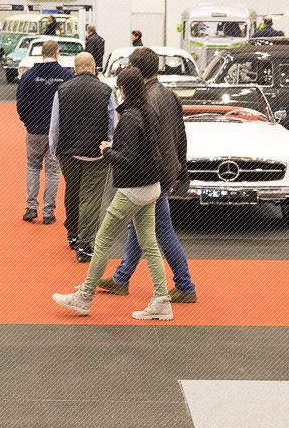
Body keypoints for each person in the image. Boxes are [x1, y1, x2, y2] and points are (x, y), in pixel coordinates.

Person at [52, 66, 174, 321]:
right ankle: (162, 300)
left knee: (103, 240)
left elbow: (127, 159)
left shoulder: (130, 117)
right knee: (149, 244)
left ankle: (85, 296)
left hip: (132, 189)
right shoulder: (148, 111)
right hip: (150, 186)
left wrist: (107, 151)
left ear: (122, 89)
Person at [97, 47, 199, 305]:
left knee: (161, 230)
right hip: (167, 170)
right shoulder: (170, 95)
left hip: (152, 174)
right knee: (139, 226)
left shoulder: (144, 102)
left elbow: (142, 146)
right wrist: (182, 171)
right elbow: (181, 135)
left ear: (135, 71)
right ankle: (121, 278)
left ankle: (185, 286)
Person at [49, 52, 116, 261]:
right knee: (91, 198)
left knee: (72, 192)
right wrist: (110, 148)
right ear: (94, 67)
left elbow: (55, 125)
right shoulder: (106, 91)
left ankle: (72, 233)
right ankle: (85, 244)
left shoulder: (62, 90)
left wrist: (55, 150)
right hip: (96, 154)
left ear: (75, 68)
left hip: (69, 153)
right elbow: (112, 124)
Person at [16, 37, 75, 223]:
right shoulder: (66, 75)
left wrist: (28, 120)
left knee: (33, 166)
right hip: (56, 131)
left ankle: (31, 207)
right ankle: (48, 212)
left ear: (42, 54)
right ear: (57, 54)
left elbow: (21, 102)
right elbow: (70, 104)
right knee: (53, 171)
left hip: (35, 128)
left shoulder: (29, 75)